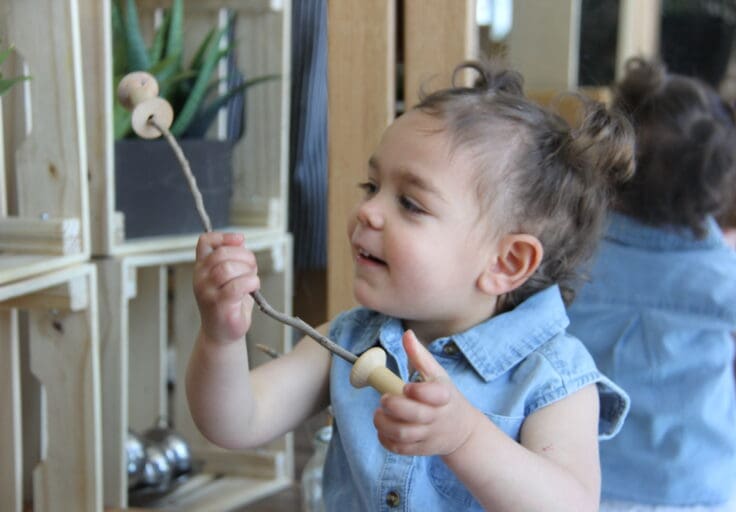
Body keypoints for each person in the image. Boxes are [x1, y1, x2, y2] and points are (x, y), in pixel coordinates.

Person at [186, 60, 634, 511]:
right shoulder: (347, 339)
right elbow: (235, 423)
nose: (368, 211)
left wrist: (465, 437)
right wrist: (220, 338)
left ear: (506, 262)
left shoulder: (553, 376)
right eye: (371, 185)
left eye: (410, 204)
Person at [566, 57, 736, 510]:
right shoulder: (724, 278)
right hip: (692, 485)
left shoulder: (575, 251)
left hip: (582, 473)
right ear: (716, 188)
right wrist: (730, 266)